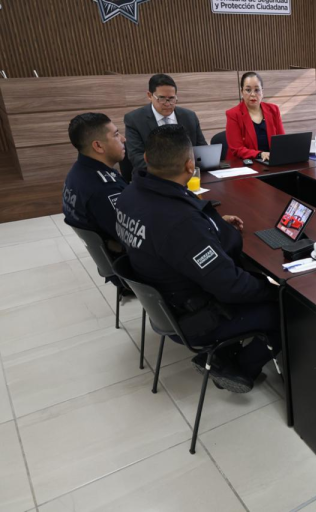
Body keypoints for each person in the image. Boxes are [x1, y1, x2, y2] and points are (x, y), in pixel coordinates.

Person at [115, 125, 279, 393]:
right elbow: (231, 287)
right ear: (190, 165)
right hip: (195, 317)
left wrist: (209, 226)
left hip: (164, 303)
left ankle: (222, 354)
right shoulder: (179, 222)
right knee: (286, 308)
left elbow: (169, 237)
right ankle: (239, 367)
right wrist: (274, 291)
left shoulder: (129, 195)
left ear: (146, 158)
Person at [62, 113, 127, 261]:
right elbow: (133, 237)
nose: (123, 139)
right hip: (127, 261)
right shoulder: (104, 189)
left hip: (109, 254)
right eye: (116, 135)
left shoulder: (78, 171)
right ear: (98, 146)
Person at [124, 74, 207, 180]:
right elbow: (136, 158)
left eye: (172, 98)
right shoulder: (135, 119)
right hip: (153, 179)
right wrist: (174, 170)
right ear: (149, 95)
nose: (168, 104)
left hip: (189, 176)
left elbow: (202, 150)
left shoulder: (189, 116)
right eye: (162, 98)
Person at [225, 72, 285, 162]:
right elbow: (237, 149)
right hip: (244, 164)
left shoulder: (274, 110)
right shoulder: (233, 114)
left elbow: (282, 141)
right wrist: (260, 154)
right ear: (242, 92)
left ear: (262, 91)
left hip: (270, 162)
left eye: (257, 90)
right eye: (248, 90)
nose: (253, 94)